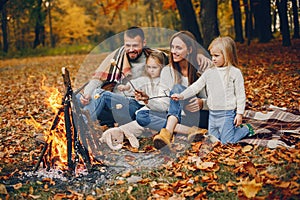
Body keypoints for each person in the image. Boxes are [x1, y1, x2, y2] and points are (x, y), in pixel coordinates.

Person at [135, 31, 213, 149]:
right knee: (141, 115)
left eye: (178, 48)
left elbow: (220, 99)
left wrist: (203, 103)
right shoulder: (167, 71)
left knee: (177, 88)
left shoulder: (203, 67)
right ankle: (192, 131)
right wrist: (148, 100)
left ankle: (168, 132)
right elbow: (165, 105)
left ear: (190, 50)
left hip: (200, 115)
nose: (173, 51)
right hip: (179, 118)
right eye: (172, 47)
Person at [171, 36, 254, 144]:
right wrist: (182, 96)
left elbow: (240, 95)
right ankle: (227, 132)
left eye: (216, 56)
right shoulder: (209, 72)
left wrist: (239, 114)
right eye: (212, 55)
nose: (213, 59)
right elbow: (195, 87)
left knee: (227, 142)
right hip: (213, 114)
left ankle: (245, 129)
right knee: (213, 141)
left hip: (227, 114)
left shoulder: (234, 73)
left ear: (227, 55)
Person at [79, 26, 165, 127]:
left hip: (136, 106)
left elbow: (174, 70)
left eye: (135, 46)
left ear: (144, 43)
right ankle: (69, 126)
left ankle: (81, 126)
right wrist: (87, 94)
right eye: (128, 45)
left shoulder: (152, 58)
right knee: (78, 97)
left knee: (100, 94)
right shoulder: (117, 56)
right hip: (114, 104)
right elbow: (98, 79)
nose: (131, 49)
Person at [97, 51, 170, 150]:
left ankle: (87, 120)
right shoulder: (146, 79)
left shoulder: (163, 83)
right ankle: (89, 118)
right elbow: (135, 83)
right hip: (136, 105)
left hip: (140, 109)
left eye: (154, 68)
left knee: (104, 95)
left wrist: (146, 100)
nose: (151, 70)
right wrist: (127, 87)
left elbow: (162, 106)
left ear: (163, 68)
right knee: (100, 96)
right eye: (148, 67)